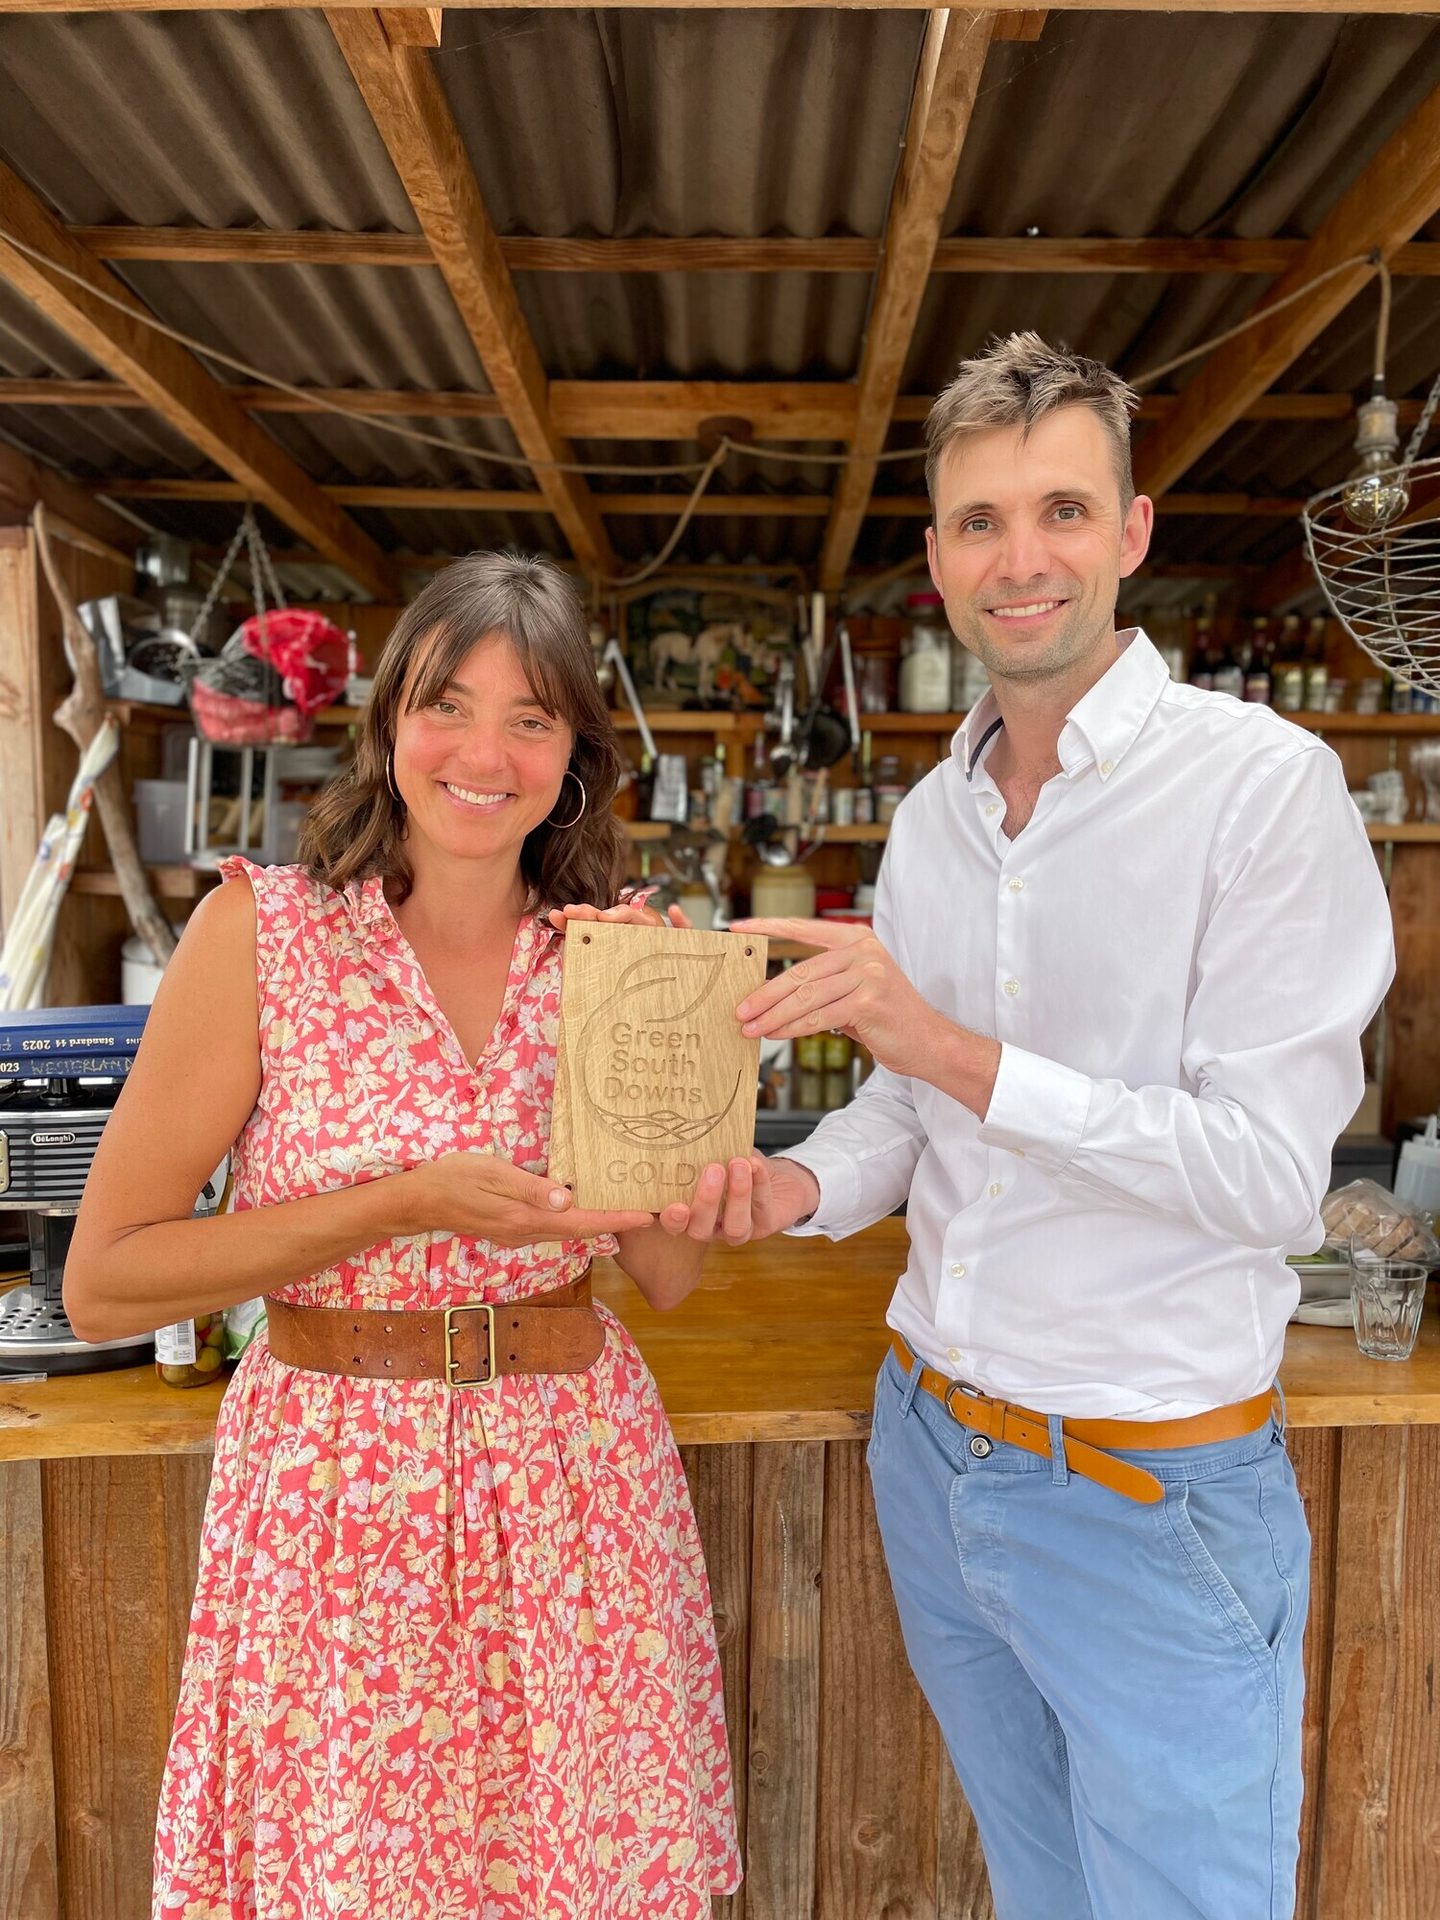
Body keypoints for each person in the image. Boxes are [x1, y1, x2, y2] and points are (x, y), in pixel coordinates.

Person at [718, 333, 1395, 1919]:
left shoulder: (1265, 790)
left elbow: (1267, 1179)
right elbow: (902, 1108)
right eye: (977, 522)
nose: (1021, 560)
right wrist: (794, 1191)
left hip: (1145, 1492)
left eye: (1063, 512)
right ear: (937, 556)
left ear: (1133, 533)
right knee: (1040, 1895)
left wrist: (952, 1049)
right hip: (931, 1447)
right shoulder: (931, 815)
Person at [65, 551, 753, 1920]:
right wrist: (399, 1201)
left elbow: (667, 1276)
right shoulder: (262, 934)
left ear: (574, 757)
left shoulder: (612, 961)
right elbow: (104, 1281)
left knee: (568, 1875)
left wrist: (671, 1066)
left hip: (571, 1498)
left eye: (530, 717)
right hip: (334, 1504)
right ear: (389, 724)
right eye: (448, 703)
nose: (482, 752)